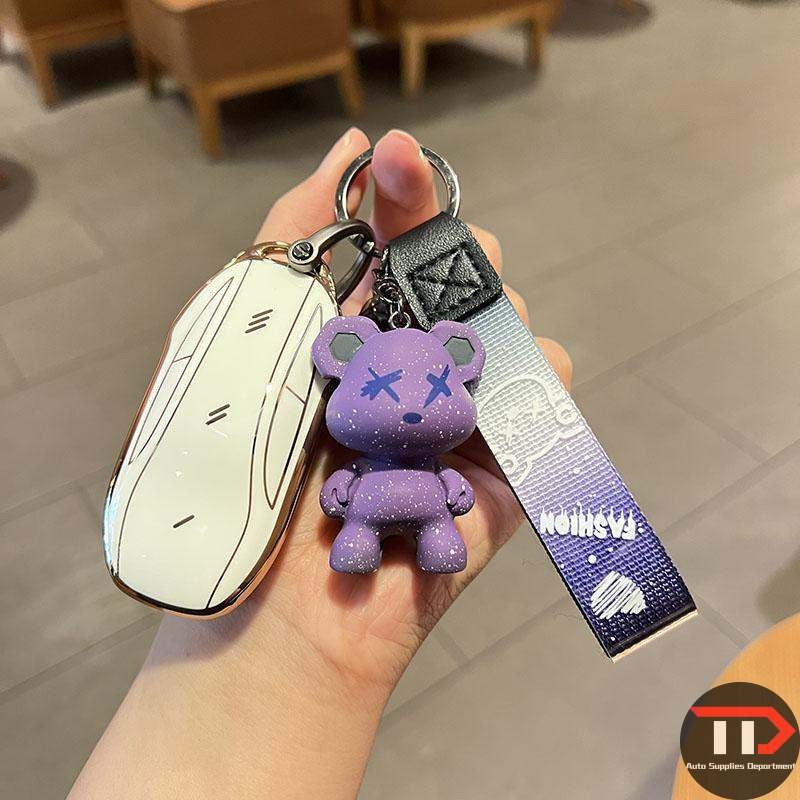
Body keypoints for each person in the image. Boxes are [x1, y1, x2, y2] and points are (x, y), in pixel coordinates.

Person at [69, 128, 572, 799]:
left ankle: (421, 540)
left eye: (430, 391)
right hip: (352, 516)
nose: (410, 409)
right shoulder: (320, 350)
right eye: (383, 391)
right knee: (362, 535)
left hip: (410, 507)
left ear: (462, 365)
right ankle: (372, 543)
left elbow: (441, 482)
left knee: (437, 523)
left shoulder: (424, 415)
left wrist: (446, 491)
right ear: (339, 360)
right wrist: (341, 497)